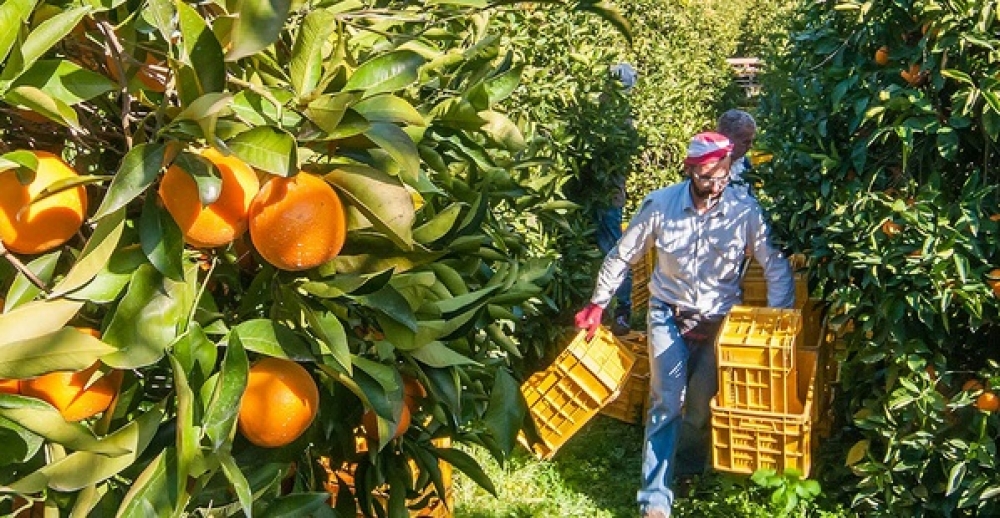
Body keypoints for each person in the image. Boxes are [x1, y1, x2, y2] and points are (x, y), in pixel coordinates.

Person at [573, 132, 795, 518]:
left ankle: (688, 466)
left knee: (699, 407)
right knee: (666, 403)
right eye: (706, 177)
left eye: (722, 175)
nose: (715, 185)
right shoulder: (661, 205)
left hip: (719, 319)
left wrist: (779, 322)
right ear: (690, 171)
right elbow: (621, 255)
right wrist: (598, 302)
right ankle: (654, 499)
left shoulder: (745, 210)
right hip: (668, 313)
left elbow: (774, 266)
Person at [715, 109, 757, 195]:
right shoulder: (707, 167)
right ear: (726, 138)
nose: (750, 146)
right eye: (745, 142)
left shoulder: (744, 164)